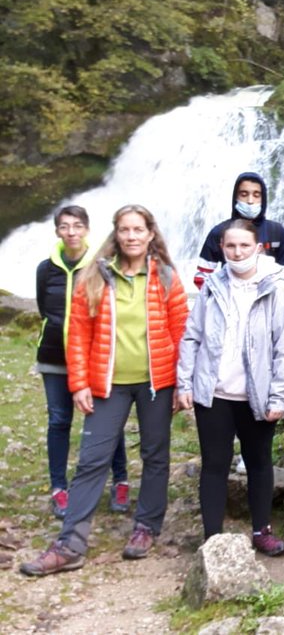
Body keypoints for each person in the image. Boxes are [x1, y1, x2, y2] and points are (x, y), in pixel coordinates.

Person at [21, 205, 188, 576]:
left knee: (155, 455)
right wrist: (79, 383)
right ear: (116, 233)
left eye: (138, 229)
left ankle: (146, 527)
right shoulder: (96, 276)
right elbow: (79, 333)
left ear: (150, 234)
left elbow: (181, 332)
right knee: (92, 459)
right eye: (125, 229)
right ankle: (70, 544)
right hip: (107, 383)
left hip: (157, 383)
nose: (131, 236)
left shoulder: (166, 277)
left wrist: (183, 382)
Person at [176, 220, 284, 556]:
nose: (237, 252)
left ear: (258, 247)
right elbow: (192, 336)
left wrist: (280, 395)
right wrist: (185, 382)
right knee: (214, 464)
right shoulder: (212, 287)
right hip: (214, 393)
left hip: (257, 394)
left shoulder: (279, 290)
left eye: (244, 246)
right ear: (222, 249)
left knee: (259, 462)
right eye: (231, 246)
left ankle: (262, 532)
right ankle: (212, 540)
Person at [195, 172, 284, 440]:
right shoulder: (219, 233)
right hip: (229, 326)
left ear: (264, 198)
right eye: (244, 194)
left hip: (271, 324)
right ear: (235, 197)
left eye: (256, 195)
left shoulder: (277, 233)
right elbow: (202, 281)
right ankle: (235, 438)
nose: (250, 200)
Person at [35, 205, 130, 519]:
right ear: (57, 231)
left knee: (106, 422)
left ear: (87, 229)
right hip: (54, 357)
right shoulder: (45, 269)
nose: (71, 232)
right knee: (59, 421)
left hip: (94, 357)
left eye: (77, 226)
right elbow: (44, 308)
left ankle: (120, 480)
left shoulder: (103, 267)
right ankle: (59, 488)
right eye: (65, 226)